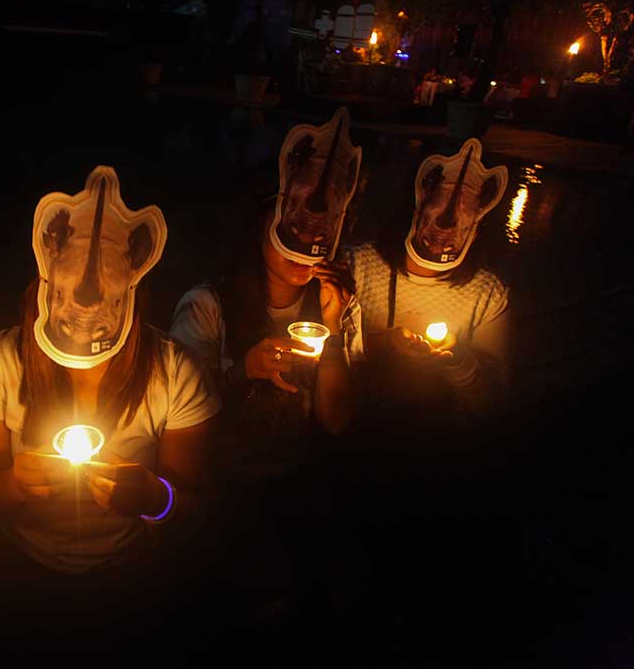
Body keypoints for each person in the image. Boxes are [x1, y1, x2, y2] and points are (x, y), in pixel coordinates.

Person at [0, 166, 220, 657]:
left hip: (132, 575)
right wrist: (16, 482)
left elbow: (199, 507)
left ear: (131, 295)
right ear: (45, 286)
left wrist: (153, 498)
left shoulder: (175, 372)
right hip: (20, 570)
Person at [169, 108, 362, 640]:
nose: (304, 247)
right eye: (293, 226)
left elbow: (338, 420)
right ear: (264, 224)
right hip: (222, 479)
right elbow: (178, 422)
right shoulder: (207, 305)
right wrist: (244, 369)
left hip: (297, 474)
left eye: (321, 233)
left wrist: (334, 327)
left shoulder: (335, 306)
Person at [344, 137, 511, 430]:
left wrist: (458, 363)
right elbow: (324, 357)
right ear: (417, 207)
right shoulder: (358, 266)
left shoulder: (487, 294)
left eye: (462, 214)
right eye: (439, 206)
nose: (447, 224)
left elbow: (493, 403)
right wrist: (379, 345)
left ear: (478, 225)